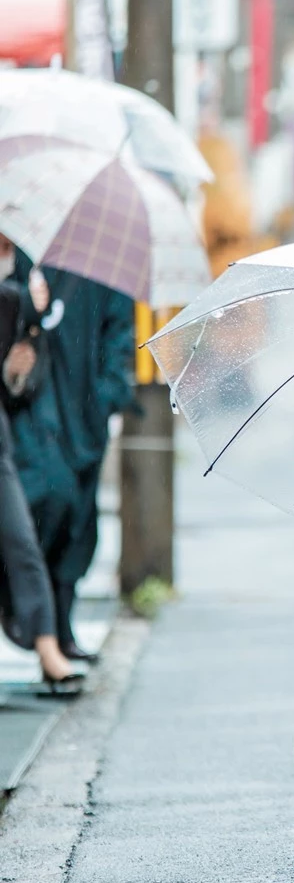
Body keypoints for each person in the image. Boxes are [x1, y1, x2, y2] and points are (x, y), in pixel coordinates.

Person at [10, 252, 134, 661]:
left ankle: (60, 626)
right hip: (33, 410)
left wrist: (106, 399)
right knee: (45, 504)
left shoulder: (104, 264)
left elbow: (119, 334)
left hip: (84, 413)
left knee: (80, 524)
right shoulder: (25, 258)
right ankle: (38, 624)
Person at [0, 243, 84, 694]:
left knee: (22, 542)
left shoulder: (17, 292)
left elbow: (16, 386)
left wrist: (17, 366)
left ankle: (49, 647)